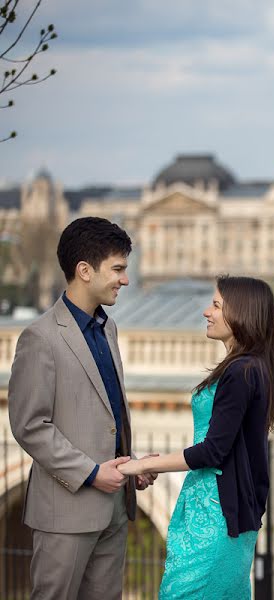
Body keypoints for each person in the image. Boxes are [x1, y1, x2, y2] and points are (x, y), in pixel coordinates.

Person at [8, 216, 157, 600]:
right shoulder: (39, 337)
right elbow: (30, 426)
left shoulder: (108, 328)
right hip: (65, 514)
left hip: (115, 509)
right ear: (84, 271)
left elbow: (106, 415)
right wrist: (91, 473)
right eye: (118, 269)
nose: (125, 279)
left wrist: (131, 463)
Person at [117, 275, 274, 599]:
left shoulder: (241, 371)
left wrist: (138, 466)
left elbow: (212, 451)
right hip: (216, 511)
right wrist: (155, 461)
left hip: (216, 515)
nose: (207, 312)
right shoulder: (250, 368)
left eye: (217, 305)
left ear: (242, 314)